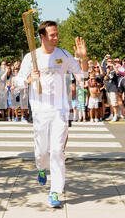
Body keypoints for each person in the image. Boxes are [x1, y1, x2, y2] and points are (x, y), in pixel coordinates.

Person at [13, 20, 89, 208]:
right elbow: (17, 81)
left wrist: (84, 59)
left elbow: (83, 78)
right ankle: (40, 168)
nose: (56, 38)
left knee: (57, 151)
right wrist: (30, 79)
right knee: (41, 152)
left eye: (57, 34)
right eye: (52, 35)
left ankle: (55, 191)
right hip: (39, 111)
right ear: (42, 36)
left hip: (60, 110)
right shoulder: (31, 57)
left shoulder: (63, 55)